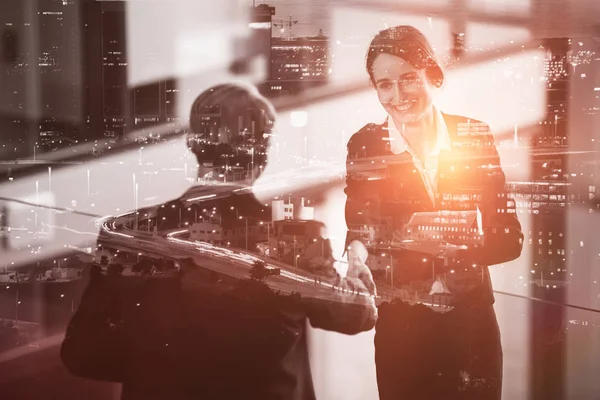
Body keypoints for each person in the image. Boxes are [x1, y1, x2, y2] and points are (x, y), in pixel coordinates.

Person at [61, 83, 376, 400]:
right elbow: (355, 315)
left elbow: (82, 354)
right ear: (263, 152)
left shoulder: (128, 234)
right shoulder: (295, 237)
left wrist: (158, 366)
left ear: (192, 144)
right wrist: (358, 268)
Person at [344, 26, 524, 399]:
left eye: (408, 79)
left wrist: (460, 254)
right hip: (402, 330)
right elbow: (361, 227)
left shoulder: (473, 135)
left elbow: (509, 237)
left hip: (470, 325)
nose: (397, 96)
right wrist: (357, 259)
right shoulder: (365, 144)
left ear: (433, 75)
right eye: (385, 84)